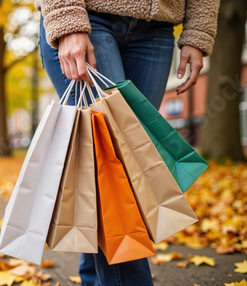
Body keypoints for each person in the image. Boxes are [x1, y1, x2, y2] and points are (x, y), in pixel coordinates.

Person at [36, 0, 219, 285]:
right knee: (115, 181)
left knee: (124, 171)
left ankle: (92, 279)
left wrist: (198, 32)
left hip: (157, 30)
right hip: (87, 18)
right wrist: (66, 18)